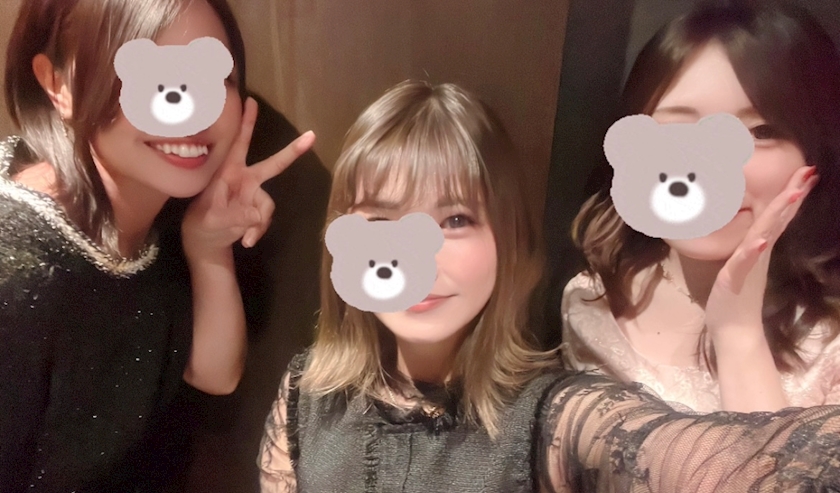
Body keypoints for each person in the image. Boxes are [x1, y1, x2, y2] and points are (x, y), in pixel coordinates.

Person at [258, 80, 840, 493]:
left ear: (507, 241)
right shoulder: (305, 392)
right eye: (382, 221)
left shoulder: (555, 420)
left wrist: (736, 333)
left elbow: (753, 470)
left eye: (455, 219)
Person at [0, 0, 314, 491]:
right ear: (58, 85)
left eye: (214, 77)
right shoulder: (16, 269)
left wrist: (208, 246)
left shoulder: (156, 211)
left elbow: (215, 374)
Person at [562, 0, 840, 414]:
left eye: (760, 132)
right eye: (678, 128)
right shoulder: (593, 300)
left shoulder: (830, 339)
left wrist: (738, 335)